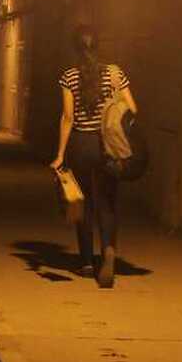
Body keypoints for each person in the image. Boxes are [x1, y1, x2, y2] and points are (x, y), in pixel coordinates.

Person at [50, 25, 137, 288]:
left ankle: (87, 262)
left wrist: (60, 154)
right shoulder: (115, 73)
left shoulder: (69, 76)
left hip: (81, 146)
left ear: (75, 48)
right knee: (108, 202)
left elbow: (68, 117)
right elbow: (132, 109)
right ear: (98, 45)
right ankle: (108, 250)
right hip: (108, 146)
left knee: (82, 203)